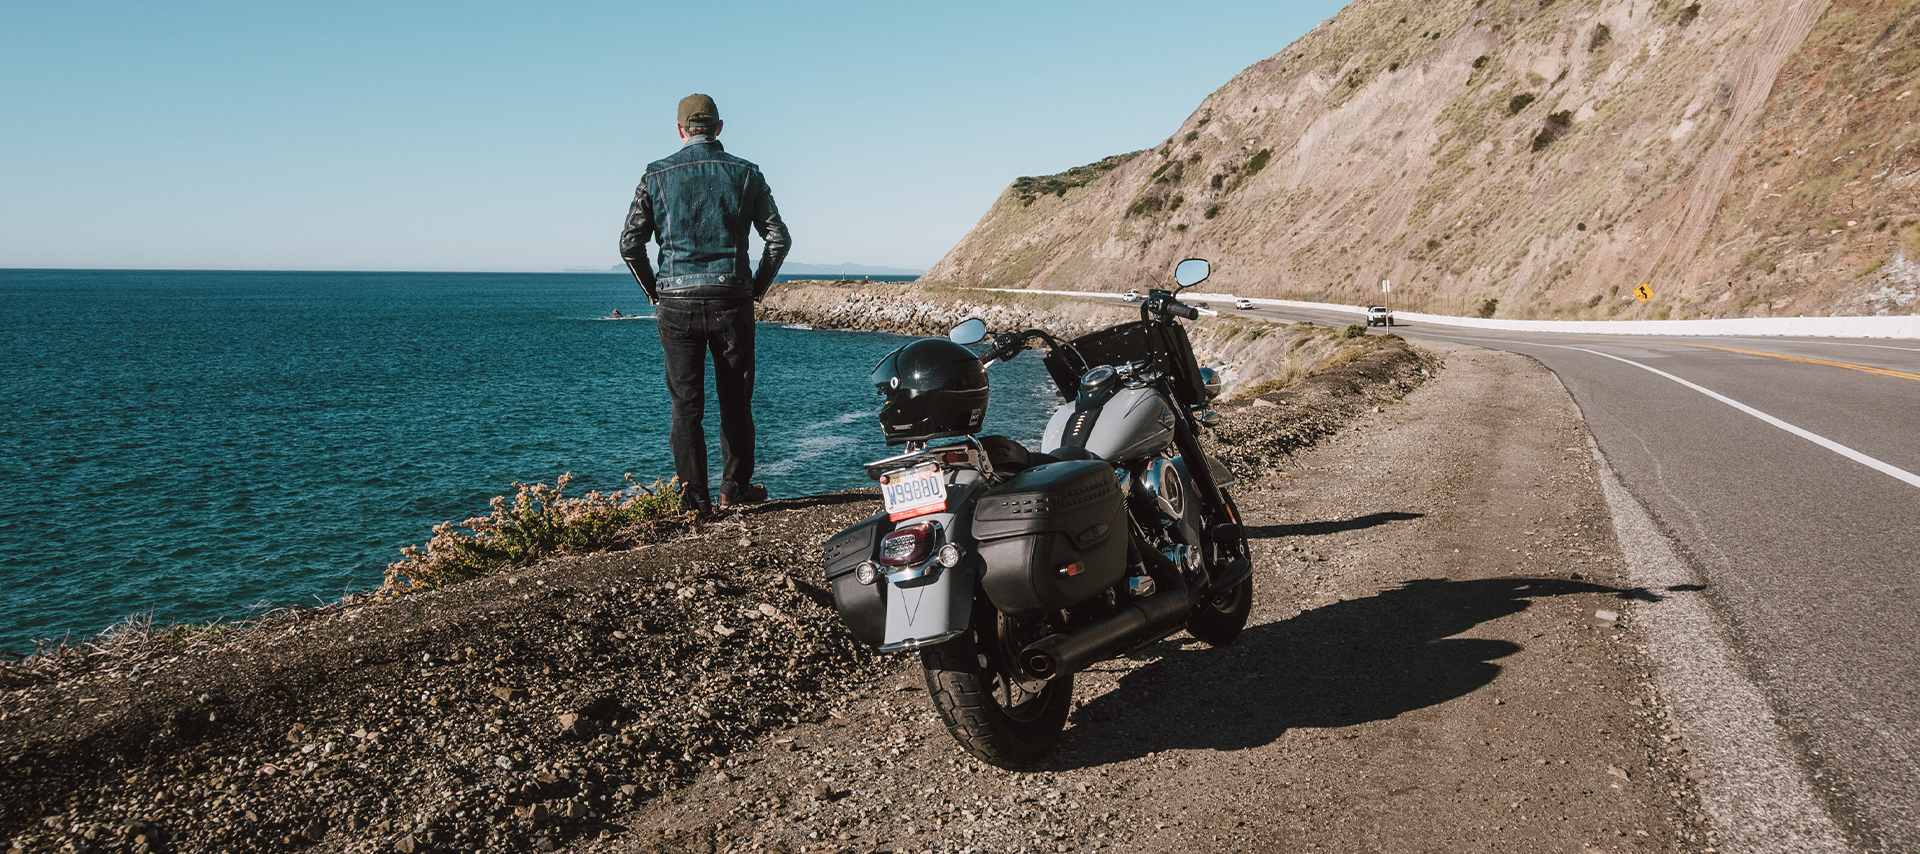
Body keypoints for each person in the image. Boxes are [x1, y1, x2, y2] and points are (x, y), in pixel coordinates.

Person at [619, 93, 791, 515]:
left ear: (680, 131)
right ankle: (734, 488)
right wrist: (755, 289)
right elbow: (778, 239)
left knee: (685, 405)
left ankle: (694, 502)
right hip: (732, 300)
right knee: (735, 400)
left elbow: (629, 245)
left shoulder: (654, 175)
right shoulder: (746, 173)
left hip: (675, 303)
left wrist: (655, 293)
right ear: (718, 127)